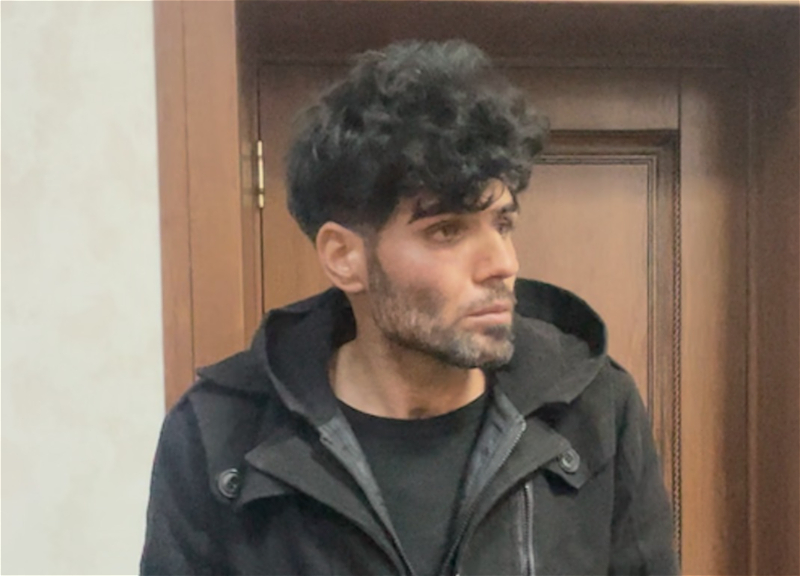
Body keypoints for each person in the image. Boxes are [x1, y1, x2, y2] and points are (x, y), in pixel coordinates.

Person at [141, 40, 677, 576]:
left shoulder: (593, 410)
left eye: (503, 223)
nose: (502, 263)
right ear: (344, 257)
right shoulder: (219, 435)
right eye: (447, 231)